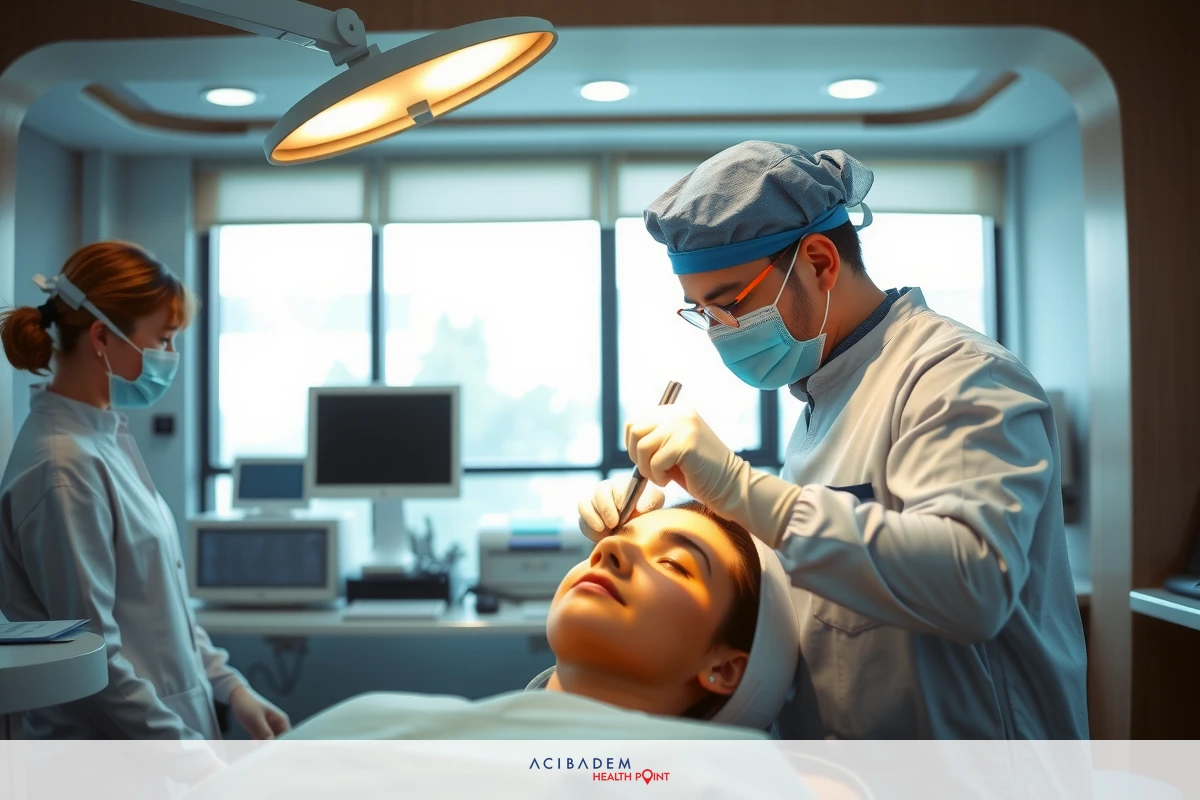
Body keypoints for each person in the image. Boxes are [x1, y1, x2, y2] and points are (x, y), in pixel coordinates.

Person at [577, 141, 1089, 739]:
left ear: (819, 262)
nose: (720, 333)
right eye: (701, 314)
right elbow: (842, 574)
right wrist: (671, 528)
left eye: (730, 305)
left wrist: (739, 485)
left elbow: (969, 585)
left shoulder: (958, 375)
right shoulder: (826, 397)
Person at [0, 241, 289, 740]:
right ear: (101, 337)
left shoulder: (102, 440)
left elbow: (162, 607)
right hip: (113, 762)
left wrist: (230, 688)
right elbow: (97, 663)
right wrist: (191, 760)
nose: (170, 357)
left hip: (162, 748)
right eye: (165, 338)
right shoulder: (63, 470)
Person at [277, 501, 800, 739]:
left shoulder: (739, 778)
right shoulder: (370, 726)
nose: (610, 549)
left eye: (674, 563)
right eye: (620, 537)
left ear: (726, 668)